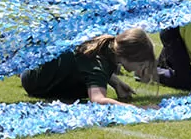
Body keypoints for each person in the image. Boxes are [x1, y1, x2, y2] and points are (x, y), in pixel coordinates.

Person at [20, 28, 157, 106]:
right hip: (34, 82)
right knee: (81, 92)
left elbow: (86, 65)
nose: (139, 69)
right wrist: (135, 108)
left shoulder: (107, 44)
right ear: (128, 56)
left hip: (38, 67)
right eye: (140, 64)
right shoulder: (99, 64)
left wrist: (116, 82)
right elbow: (97, 99)